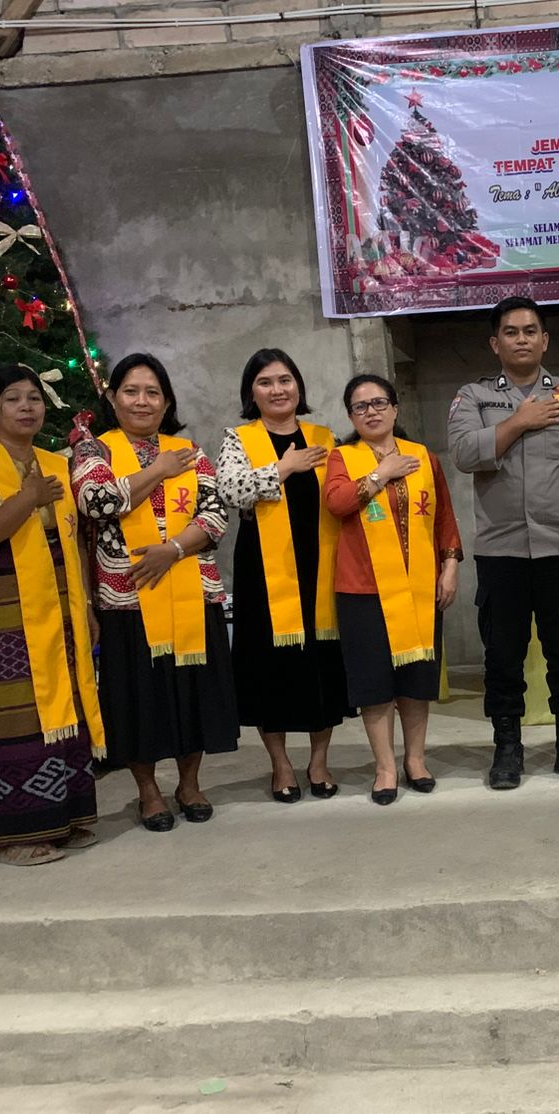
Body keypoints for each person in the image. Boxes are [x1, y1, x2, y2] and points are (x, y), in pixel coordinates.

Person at [447, 296, 559, 790]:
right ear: (495, 343)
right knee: (503, 655)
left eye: (530, 331)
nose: (522, 339)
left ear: (545, 340)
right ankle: (507, 748)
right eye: (511, 332)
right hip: (502, 552)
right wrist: (519, 421)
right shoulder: (473, 397)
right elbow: (463, 453)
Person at [71, 352, 237, 831]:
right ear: (112, 398)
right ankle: (147, 790)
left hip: (191, 586)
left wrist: (173, 550)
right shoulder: (93, 451)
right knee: (138, 697)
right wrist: (159, 470)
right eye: (131, 391)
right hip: (127, 597)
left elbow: (215, 515)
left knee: (192, 690)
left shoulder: (189, 450)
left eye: (153, 393)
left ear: (166, 402)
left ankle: (189, 783)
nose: (142, 401)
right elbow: (95, 501)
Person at [0, 365, 103, 864]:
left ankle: (67, 816)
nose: (26, 407)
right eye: (13, 398)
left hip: (61, 602)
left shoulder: (54, 462)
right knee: (17, 715)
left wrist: (87, 605)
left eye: (34, 397)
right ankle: (17, 833)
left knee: (67, 703)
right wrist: (29, 498)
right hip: (3, 612)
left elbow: (74, 540)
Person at [217, 349, 350, 802]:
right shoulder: (239, 438)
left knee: (323, 665)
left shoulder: (323, 438)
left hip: (320, 566)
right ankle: (280, 764)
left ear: (298, 386)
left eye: (285, 380)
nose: (277, 390)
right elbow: (229, 490)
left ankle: (319, 761)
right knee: (267, 667)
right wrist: (284, 467)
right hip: (264, 571)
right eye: (265, 382)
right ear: (251, 393)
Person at [323, 375, 462, 805]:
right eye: (360, 406)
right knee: (375, 683)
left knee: (415, 679)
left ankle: (415, 760)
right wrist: (380, 473)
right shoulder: (342, 457)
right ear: (351, 416)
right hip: (363, 589)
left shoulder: (422, 456)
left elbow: (444, 516)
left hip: (420, 586)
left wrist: (450, 565)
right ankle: (385, 767)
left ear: (395, 408)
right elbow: (338, 502)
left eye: (379, 402)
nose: (371, 411)